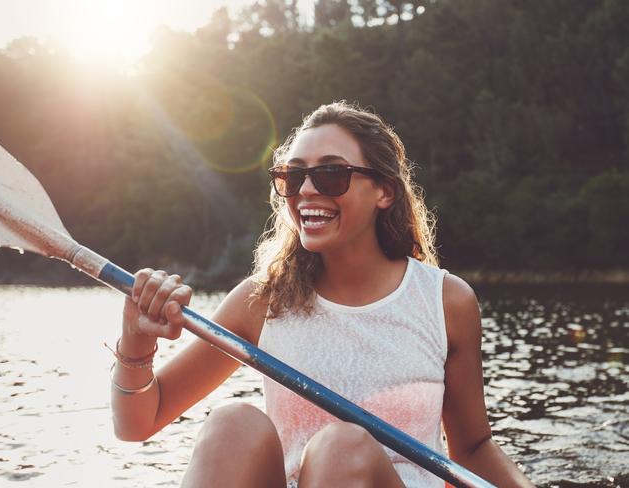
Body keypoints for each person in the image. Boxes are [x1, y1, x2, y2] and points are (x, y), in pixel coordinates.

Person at [109, 101, 534, 487]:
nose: (307, 190)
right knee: (232, 424)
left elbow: (474, 447)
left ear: (384, 191)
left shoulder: (445, 301)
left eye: (331, 174)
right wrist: (137, 341)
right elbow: (137, 423)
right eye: (294, 176)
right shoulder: (261, 301)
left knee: (342, 447)